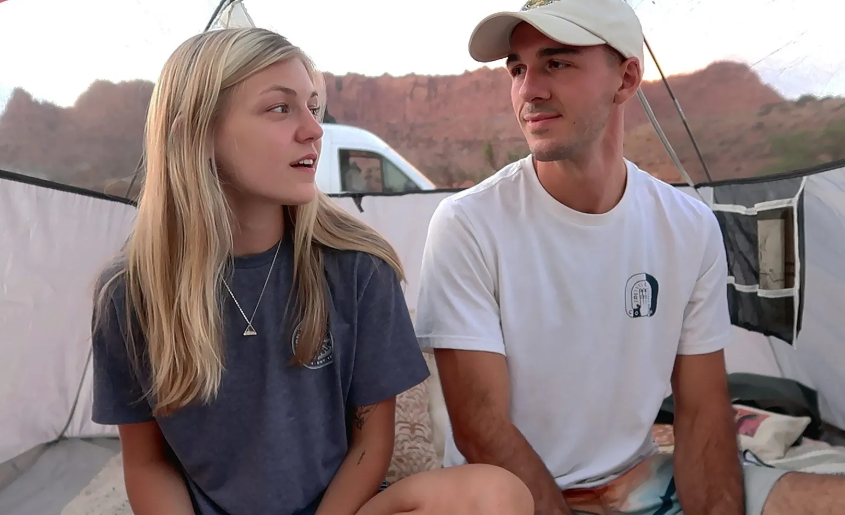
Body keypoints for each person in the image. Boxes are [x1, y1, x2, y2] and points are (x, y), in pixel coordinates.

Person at [414, 1, 845, 515]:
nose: (529, 90)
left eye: (557, 63)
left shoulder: (687, 227)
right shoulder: (468, 224)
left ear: (626, 78)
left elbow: (703, 413)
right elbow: (481, 428)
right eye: (518, 69)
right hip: (509, 496)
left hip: (637, 482)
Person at [90, 27, 533, 515]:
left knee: (498, 495)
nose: (313, 129)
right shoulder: (130, 293)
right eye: (281, 108)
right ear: (195, 135)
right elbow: (147, 463)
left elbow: (371, 444)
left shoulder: (359, 266)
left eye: (313, 106)